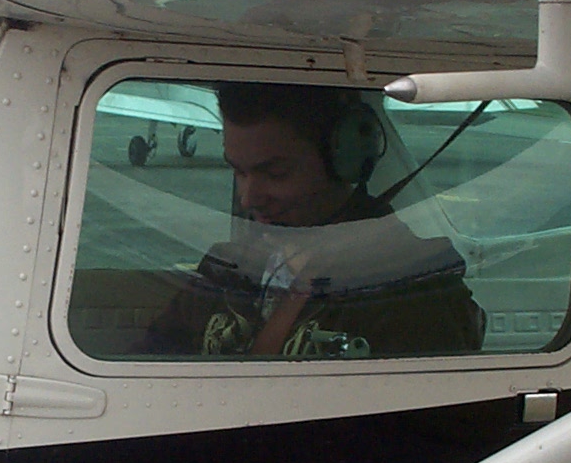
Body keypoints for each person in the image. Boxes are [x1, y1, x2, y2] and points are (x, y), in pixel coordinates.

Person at [142, 83, 485, 358]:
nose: (249, 198)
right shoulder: (228, 268)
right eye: (239, 171)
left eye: (275, 173)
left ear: (345, 158)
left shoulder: (410, 286)